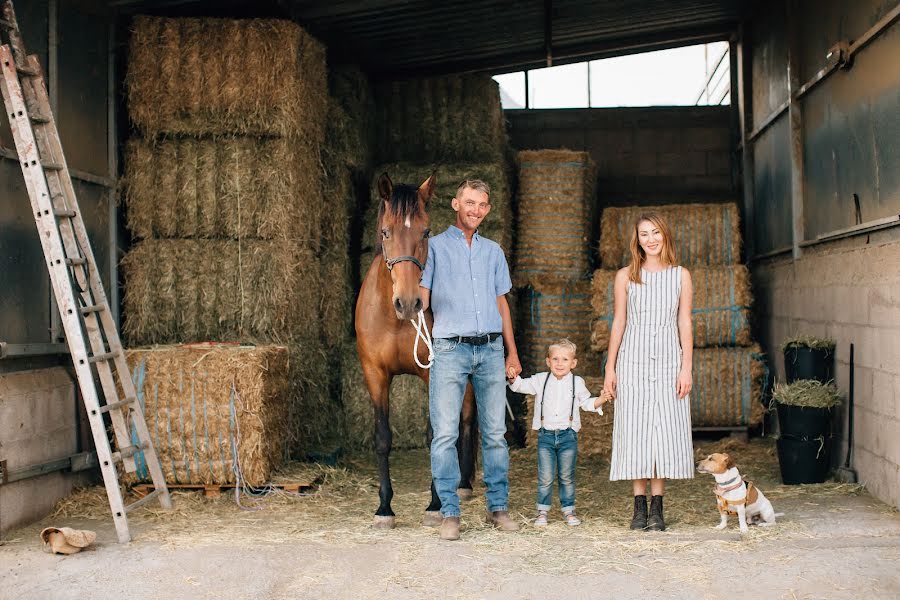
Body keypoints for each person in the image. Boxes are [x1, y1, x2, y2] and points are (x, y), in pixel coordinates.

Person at [420, 179, 522, 541]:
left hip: (491, 349)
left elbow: (501, 304)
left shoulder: (493, 251)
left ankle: (498, 507)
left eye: (481, 204)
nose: (474, 209)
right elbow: (422, 298)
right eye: (468, 202)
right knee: (445, 433)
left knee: (495, 433)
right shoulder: (432, 248)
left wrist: (511, 351)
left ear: (488, 210)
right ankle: (450, 512)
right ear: (454, 204)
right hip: (450, 348)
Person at [603, 212, 694, 532]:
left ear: (665, 235)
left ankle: (658, 508)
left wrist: (687, 367)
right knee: (637, 432)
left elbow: (684, 322)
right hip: (634, 361)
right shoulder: (625, 276)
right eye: (644, 234)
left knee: (664, 434)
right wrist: (610, 368)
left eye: (655, 232)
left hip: (669, 361)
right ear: (636, 240)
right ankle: (638, 508)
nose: (651, 239)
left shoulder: (681, 275)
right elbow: (619, 322)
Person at [507, 338, 610, 527]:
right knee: (545, 476)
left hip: (567, 436)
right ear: (548, 361)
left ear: (573, 363)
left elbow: (586, 403)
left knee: (566, 476)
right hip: (545, 436)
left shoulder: (577, 382)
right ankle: (542, 512)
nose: (560, 363)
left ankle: (569, 510)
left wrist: (601, 399)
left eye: (564, 359)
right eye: (555, 359)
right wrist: (513, 377)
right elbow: (522, 386)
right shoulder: (540, 380)